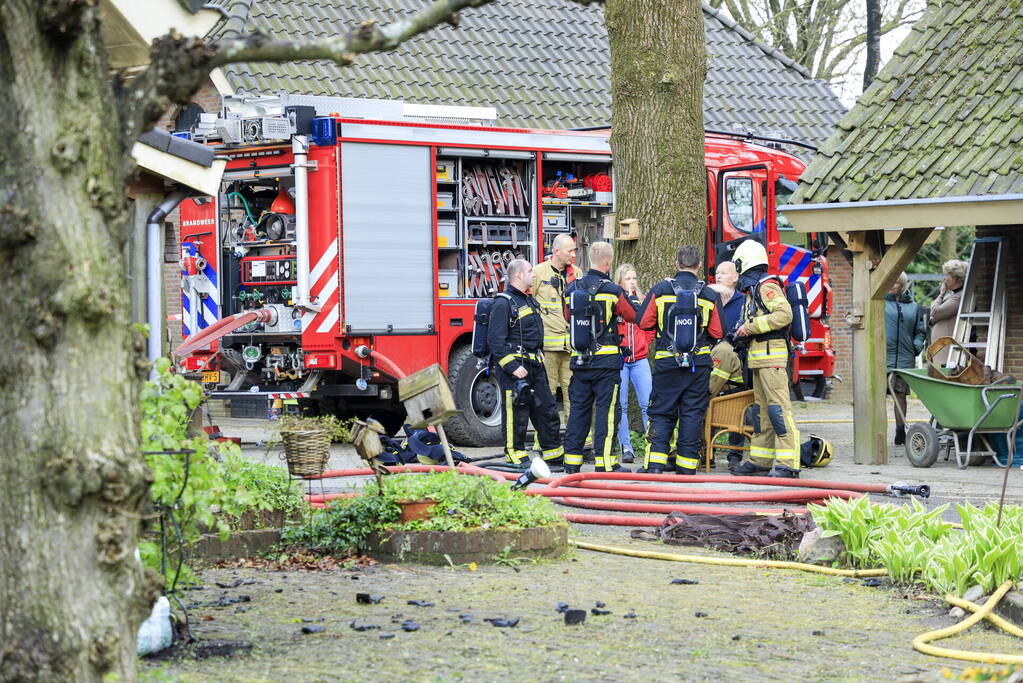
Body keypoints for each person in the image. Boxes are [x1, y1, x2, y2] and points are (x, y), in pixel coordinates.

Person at [636, 245, 723, 474]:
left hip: (667, 363)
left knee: (662, 413)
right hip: (699, 365)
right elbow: (718, 332)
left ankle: (655, 466)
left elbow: (643, 322)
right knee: (692, 415)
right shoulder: (709, 294)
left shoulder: (661, 290)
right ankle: (686, 470)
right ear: (700, 266)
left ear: (676, 264)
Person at [563, 242, 638, 473]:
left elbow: (568, 318)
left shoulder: (573, 288)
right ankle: (605, 463)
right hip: (606, 364)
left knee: (578, 412)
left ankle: (571, 464)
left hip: (580, 362)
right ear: (608, 262)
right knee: (607, 413)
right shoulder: (613, 291)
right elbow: (633, 315)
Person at [729, 239, 800, 478]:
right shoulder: (753, 290)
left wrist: (750, 326)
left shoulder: (766, 287)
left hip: (772, 360)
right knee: (761, 414)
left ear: (745, 262)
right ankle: (760, 461)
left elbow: (784, 315)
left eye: (737, 265)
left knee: (779, 411)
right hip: (759, 360)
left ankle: (788, 464)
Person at [487, 259, 564, 466]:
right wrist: (512, 367)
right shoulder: (503, 303)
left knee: (547, 410)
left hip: (535, 365)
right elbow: (495, 342)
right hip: (515, 368)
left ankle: (553, 454)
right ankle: (516, 455)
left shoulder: (528, 300)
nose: (534, 274)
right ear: (518, 275)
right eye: (530, 271)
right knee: (516, 414)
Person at [532, 234, 582, 429]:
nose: (573, 254)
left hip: (571, 347)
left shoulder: (576, 273)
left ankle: (573, 439)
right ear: (556, 251)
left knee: (574, 394)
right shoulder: (538, 273)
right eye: (570, 250)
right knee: (547, 395)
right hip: (548, 348)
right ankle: (544, 440)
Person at [614, 263, 654, 463]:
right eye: (628, 278)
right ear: (620, 280)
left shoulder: (644, 300)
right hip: (621, 360)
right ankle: (626, 448)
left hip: (640, 360)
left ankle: (651, 445)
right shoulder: (616, 300)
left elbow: (651, 326)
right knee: (621, 406)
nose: (632, 282)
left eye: (634, 278)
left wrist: (644, 343)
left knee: (647, 404)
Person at [886, 272, 927, 446]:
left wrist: (915, 347)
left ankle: (900, 431)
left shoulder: (914, 307)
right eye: (890, 281)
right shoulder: (879, 302)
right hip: (882, 357)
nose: (892, 285)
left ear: (902, 285)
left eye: (896, 282)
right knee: (877, 395)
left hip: (904, 358)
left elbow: (920, 331)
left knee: (900, 395)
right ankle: (878, 431)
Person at [928, 259, 968, 365]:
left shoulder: (959, 297)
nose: (944, 279)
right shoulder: (953, 295)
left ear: (955, 278)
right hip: (942, 349)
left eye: (946, 275)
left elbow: (934, 312)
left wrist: (941, 294)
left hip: (947, 352)